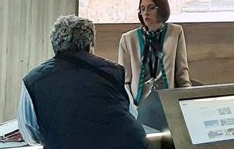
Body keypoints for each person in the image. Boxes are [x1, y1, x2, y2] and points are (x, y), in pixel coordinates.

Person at [17, 15, 147, 149]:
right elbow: (132, 113)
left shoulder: (33, 80)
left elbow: (30, 135)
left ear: (54, 46)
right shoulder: (114, 71)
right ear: (90, 45)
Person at [119, 0, 194, 106]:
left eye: (151, 8)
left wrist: (188, 100)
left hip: (167, 101)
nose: (146, 13)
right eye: (142, 9)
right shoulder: (128, 38)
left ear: (161, 9)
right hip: (139, 103)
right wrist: (131, 106)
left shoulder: (175, 32)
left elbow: (182, 72)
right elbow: (125, 81)